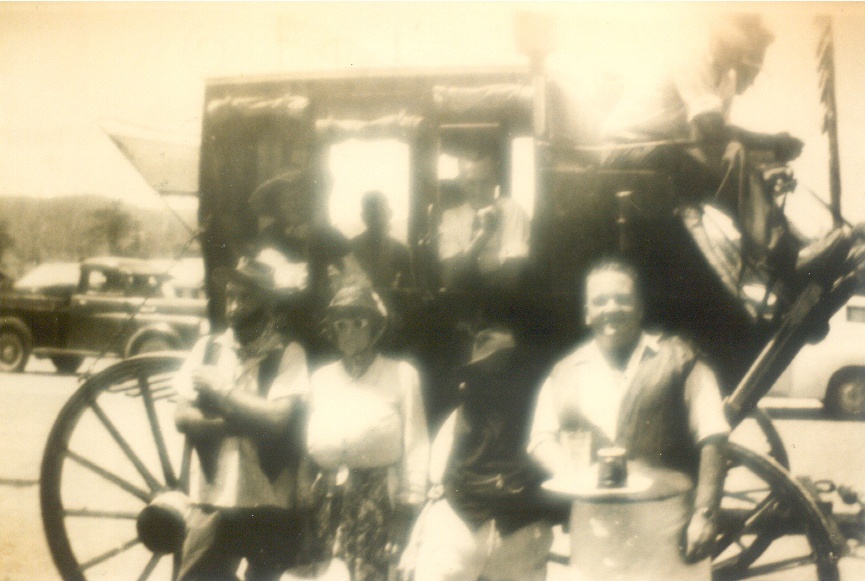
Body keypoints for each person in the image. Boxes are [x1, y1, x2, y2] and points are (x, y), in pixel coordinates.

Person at [528, 259, 729, 575]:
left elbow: (713, 436)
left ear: (639, 308)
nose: (612, 308)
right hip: (595, 535)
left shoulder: (679, 360)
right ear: (587, 313)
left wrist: (705, 514)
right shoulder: (565, 372)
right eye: (600, 301)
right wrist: (573, 472)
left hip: (665, 530)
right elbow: (540, 438)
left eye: (623, 299)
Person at [173, 257, 315, 580]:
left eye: (245, 296)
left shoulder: (288, 353)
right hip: (212, 495)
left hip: (268, 499)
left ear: (267, 303)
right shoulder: (207, 348)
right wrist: (237, 423)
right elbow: (181, 416)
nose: (234, 305)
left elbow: (278, 418)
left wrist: (221, 392)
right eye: (230, 295)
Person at [406, 325, 553, 581]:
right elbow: (436, 476)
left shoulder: (538, 418)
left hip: (516, 531)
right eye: (489, 371)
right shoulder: (462, 416)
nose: (497, 378)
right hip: (464, 523)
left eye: (506, 368)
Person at [306, 284, 430, 581]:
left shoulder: (401, 374)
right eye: (341, 324)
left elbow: (416, 444)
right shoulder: (322, 378)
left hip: (380, 500)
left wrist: (406, 509)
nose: (348, 332)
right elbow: (309, 444)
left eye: (359, 323)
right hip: (329, 500)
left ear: (375, 329)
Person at [437, 156, 530, 290]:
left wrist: (465, 288)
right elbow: (450, 279)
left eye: (485, 182)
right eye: (471, 183)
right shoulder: (451, 217)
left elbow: (511, 276)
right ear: (462, 183)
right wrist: (483, 235)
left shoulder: (511, 209)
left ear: (495, 182)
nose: (478, 191)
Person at [350, 190, 413, 289]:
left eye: (381, 214)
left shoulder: (401, 251)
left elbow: (406, 289)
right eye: (374, 216)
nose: (378, 221)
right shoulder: (351, 249)